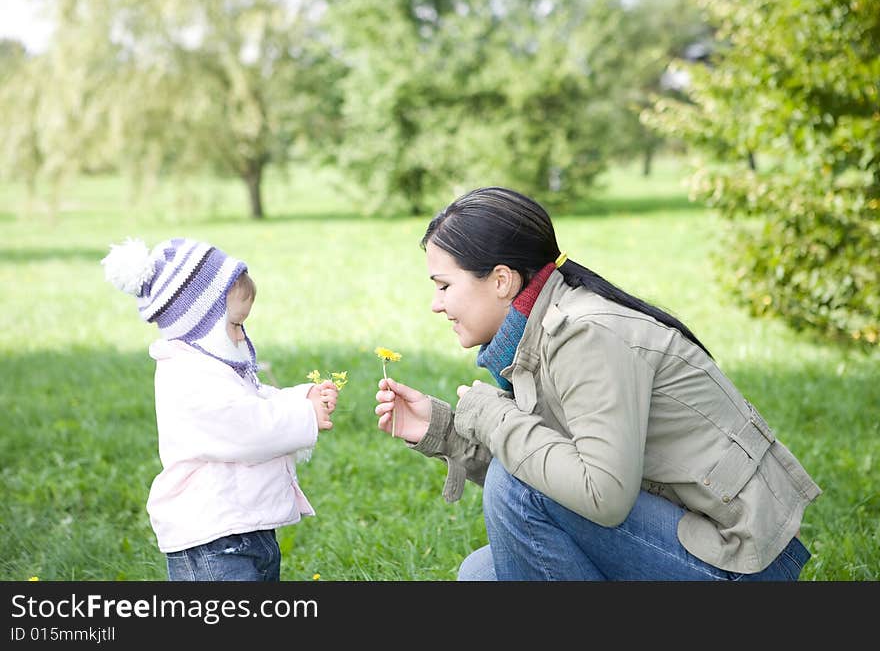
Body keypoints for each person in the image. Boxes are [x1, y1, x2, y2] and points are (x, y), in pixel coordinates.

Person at [374, 186, 821, 581]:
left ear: (502, 280)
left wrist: (494, 416)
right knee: (481, 575)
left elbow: (600, 495)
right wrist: (446, 432)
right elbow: (557, 460)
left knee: (517, 485)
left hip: (740, 560)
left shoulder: (586, 334)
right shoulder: (541, 330)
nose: (436, 305)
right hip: (687, 533)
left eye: (444, 286)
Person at [102, 237, 338, 581]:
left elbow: (254, 401)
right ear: (198, 325)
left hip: (242, 526)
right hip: (213, 539)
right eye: (234, 325)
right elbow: (246, 429)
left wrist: (301, 399)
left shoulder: (212, 367)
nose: (242, 337)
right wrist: (305, 416)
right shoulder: (190, 377)